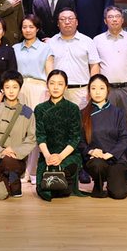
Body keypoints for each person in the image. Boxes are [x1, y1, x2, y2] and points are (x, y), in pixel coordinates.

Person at [34, 69, 87, 201]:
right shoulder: (40, 109)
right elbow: (40, 136)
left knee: (61, 181)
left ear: (66, 86)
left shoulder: (73, 108)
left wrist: (60, 156)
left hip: (68, 154)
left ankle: (67, 182)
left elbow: (75, 138)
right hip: (47, 155)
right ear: (47, 85)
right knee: (45, 189)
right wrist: (48, 156)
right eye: (52, 83)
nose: (56, 87)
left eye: (60, 84)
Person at [13, 14, 54, 183]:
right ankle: (21, 170)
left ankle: (34, 170)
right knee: (20, 130)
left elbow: (50, 72)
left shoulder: (46, 48)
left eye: (31, 27)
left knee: (37, 130)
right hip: (19, 89)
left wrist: (49, 91)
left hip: (39, 89)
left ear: (37, 28)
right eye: (24, 27)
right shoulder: (15, 48)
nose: (27, 30)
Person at [0, 71, 37, 200]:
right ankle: (5, 179)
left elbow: (31, 139)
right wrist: (1, 152)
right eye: (7, 87)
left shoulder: (28, 112)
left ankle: (15, 181)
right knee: (0, 195)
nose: (11, 91)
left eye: (15, 87)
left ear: (20, 88)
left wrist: (15, 151)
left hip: (17, 161)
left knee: (10, 161)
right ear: (2, 89)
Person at [78, 74, 127, 199]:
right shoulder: (83, 114)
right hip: (95, 159)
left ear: (107, 90)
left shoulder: (118, 112)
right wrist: (91, 151)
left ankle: (115, 180)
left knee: (119, 194)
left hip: (116, 159)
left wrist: (109, 154)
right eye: (93, 88)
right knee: (98, 165)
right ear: (89, 91)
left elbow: (124, 138)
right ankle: (98, 183)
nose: (98, 92)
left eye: (101, 88)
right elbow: (79, 141)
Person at [94, 6, 127, 116]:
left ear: (122, 20)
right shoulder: (97, 40)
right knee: (106, 120)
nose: (114, 19)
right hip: (106, 90)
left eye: (117, 16)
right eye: (110, 17)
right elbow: (94, 66)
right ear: (105, 21)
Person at [47, 9, 100, 110]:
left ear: (77, 22)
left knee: (81, 119)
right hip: (58, 91)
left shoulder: (87, 41)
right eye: (63, 19)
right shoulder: (50, 43)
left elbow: (94, 66)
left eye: (71, 19)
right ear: (58, 23)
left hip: (81, 92)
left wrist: (92, 88)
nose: (67, 22)